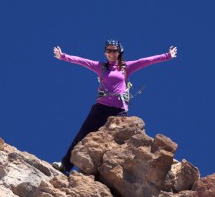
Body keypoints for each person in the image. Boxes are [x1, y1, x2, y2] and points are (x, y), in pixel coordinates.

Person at [52, 39, 178, 174]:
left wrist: (167, 55)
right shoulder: (100, 67)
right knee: (82, 135)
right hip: (101, 107)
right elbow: (82, 61)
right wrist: (63, 56)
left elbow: (146, 61)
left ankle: (106, 172)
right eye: (108, 51)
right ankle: (65, 165)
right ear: (105, 53)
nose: (111, 53)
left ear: (119, 52)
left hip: (119, 111)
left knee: (114, 140)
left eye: (114, 50)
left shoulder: (126, 67)